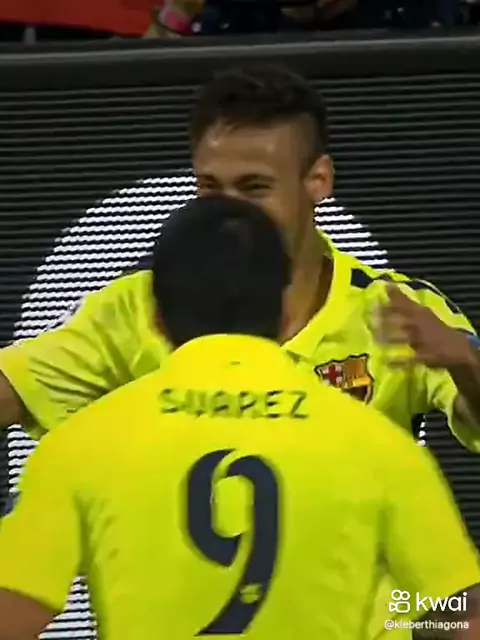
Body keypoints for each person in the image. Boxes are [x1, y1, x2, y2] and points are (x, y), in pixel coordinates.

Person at [0, 64, 480, 638]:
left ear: (318, 181)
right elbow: (465, 614)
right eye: (210, 187)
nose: (228, 210)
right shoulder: (130, 309)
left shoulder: (397, 310)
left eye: (254, 188)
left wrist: (465, 362)